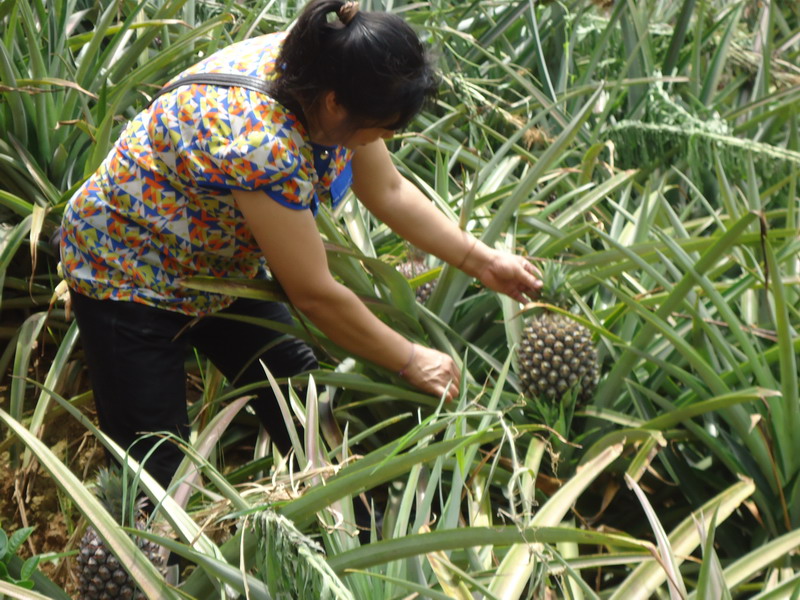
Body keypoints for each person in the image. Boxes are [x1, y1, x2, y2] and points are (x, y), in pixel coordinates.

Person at [60, 0, 542, 489]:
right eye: (385, 127)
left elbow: (389, 191)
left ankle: (346, 538)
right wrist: (411, 359)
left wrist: (482, 261)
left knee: (305, 406)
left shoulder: (328, 68)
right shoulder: (265, 144)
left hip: (217, 269)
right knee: (158, 472)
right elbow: (313, 293)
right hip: (126, 272)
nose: (387, 138)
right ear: (337, 105)